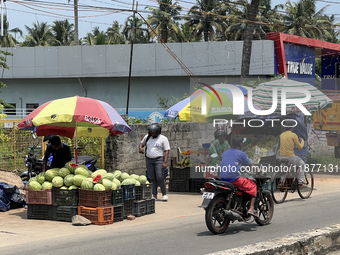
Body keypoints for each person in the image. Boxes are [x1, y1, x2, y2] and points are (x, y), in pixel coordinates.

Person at [220, 136, 259, 218]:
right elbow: (251, 166)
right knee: (253, 185)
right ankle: (251, 209)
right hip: (233, 179)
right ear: (241, 144)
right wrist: (260, 170)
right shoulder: (241, 154)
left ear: (231, 144)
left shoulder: (225, 152)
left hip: (222, 178)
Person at [139, 123, 170, 201]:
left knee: (160, 177)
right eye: (151, 132)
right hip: (149, 159)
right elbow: (141, 143)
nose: (152, 133)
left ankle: (164, 194)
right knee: (152, 178)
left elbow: (166, 151)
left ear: (158, 132)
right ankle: (154, 195)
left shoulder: (163, 139)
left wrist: (165, 162)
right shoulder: (147, 137)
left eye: (154, 132)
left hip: (159, 159)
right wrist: (140, 148)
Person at [278, 121, 306, 188]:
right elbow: (299, 147)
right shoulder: (293, 135)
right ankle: (300, 182)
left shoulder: (281, 135)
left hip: (281, 156)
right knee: (302, 164)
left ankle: (282, 182)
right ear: (292, 127)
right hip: (290, 156)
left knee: (284, 168)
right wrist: (302, 141)